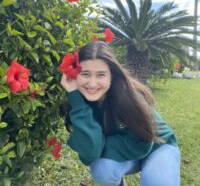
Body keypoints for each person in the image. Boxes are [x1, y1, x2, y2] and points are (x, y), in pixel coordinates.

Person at [60, 41, 180, 186]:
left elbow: (142, 143)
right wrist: (74, 96)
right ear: (75, 75)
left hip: (158, 145)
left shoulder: (129, 95)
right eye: (85, 74)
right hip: (126, 152)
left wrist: (101, 144)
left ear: (112, 75)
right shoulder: (78, 101)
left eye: (101, 75)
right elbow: (89, 154)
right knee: (102, 170)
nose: (92, 84)